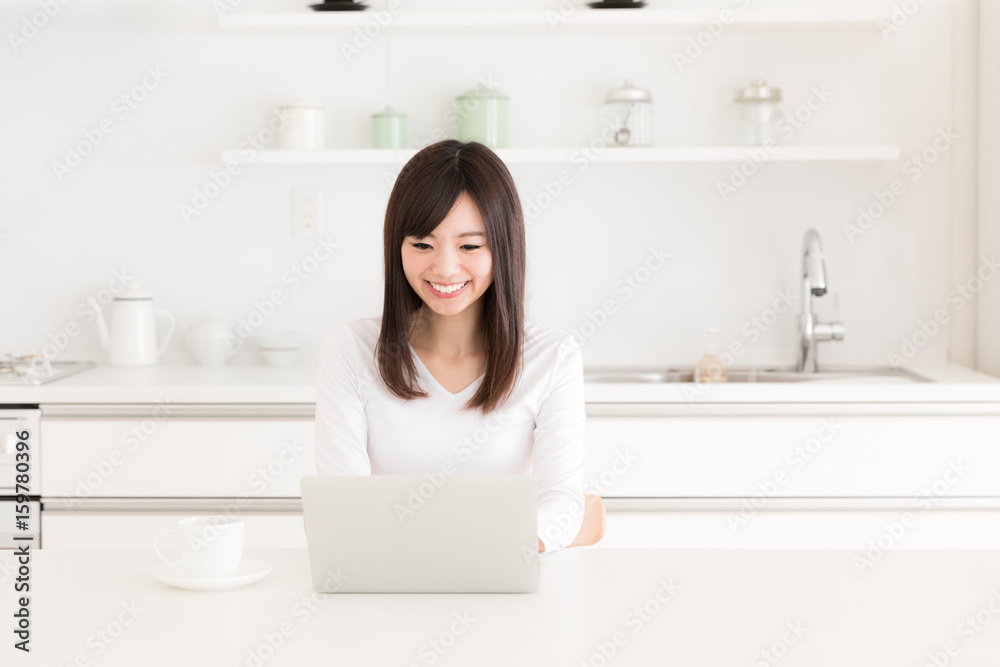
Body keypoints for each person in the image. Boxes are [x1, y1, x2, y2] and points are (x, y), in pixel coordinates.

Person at [313, 139, 586, 554]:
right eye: (422, 245)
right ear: (396, 247)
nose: (444, 268)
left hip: (499, 578)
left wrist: (502, 550)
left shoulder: (553, 357)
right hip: (388, 581)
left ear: (504, 248)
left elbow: (562, 501)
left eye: (470, 246)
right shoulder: (351, 349)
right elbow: (343, 502)